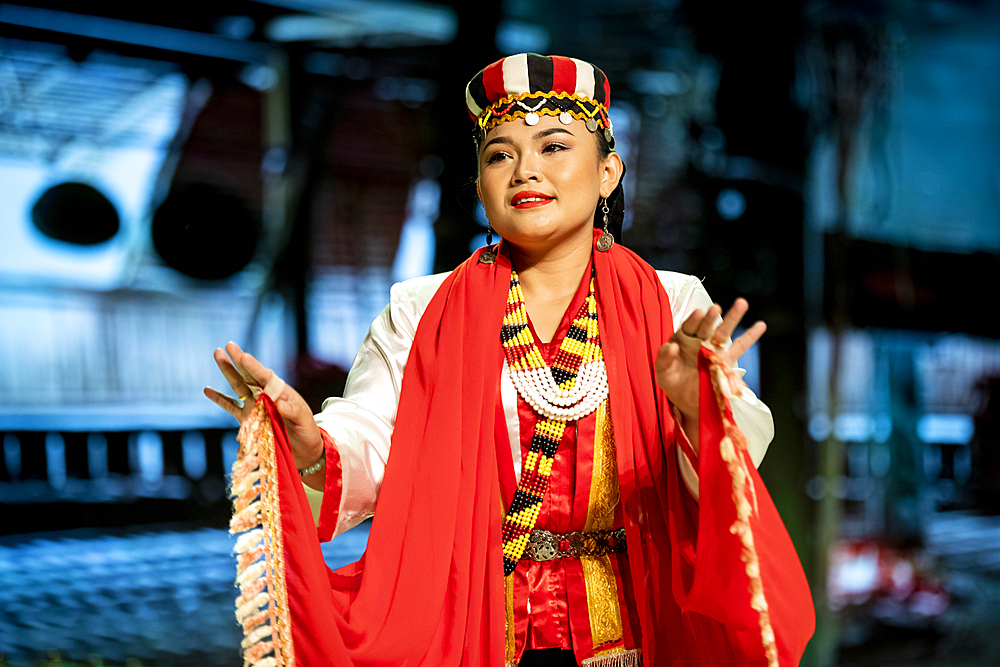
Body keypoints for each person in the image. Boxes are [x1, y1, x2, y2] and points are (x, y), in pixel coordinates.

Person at [206, 53, 814, 667]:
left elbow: (740, 457)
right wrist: (311, 445)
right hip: (472, 624)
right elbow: (370, 431)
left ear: (607, 172)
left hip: (634, 626)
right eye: (500, 154)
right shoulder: (421, 309)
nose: (525, 170)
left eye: (553, 147)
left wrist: (694, 408)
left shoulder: (671, 302)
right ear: (479, 187)